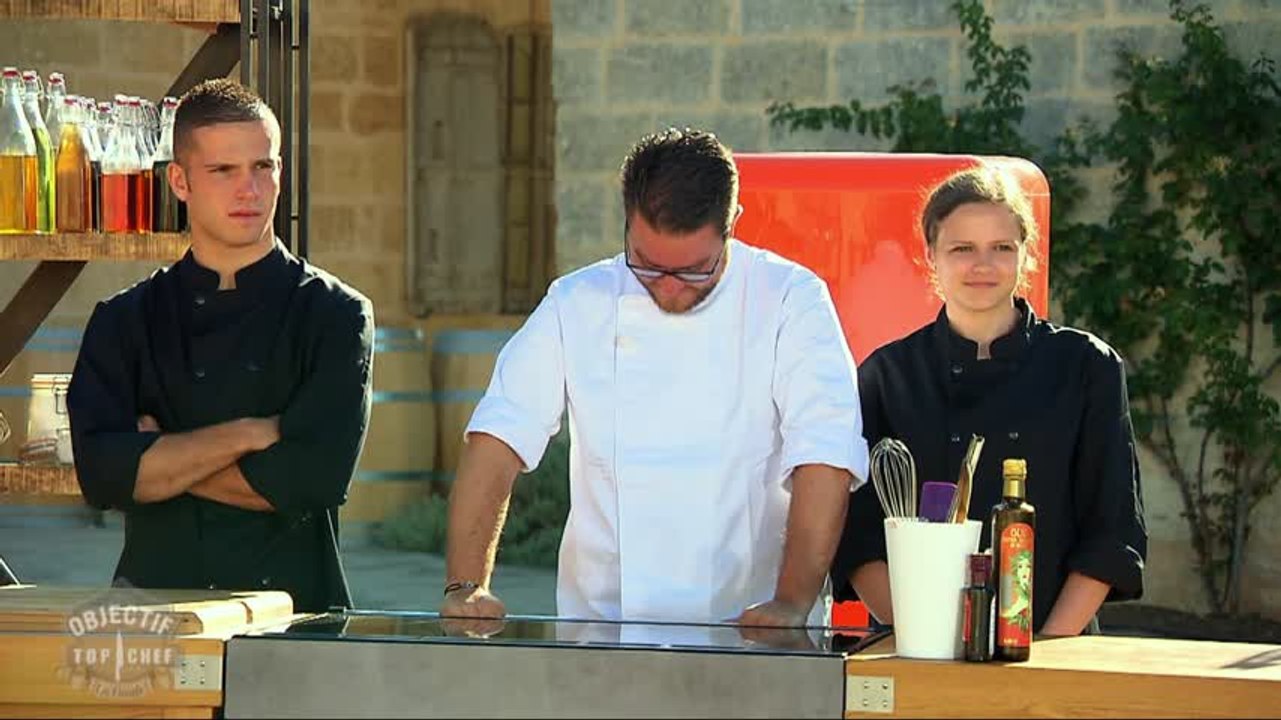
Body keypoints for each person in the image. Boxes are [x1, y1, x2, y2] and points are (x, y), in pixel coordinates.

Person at [441, 128, 869, 628]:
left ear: (733, 223)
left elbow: (825, 454)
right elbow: (498, 438)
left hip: (751, 632)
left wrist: (792, 602)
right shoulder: (576, 302)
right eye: (645, 265)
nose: (667, 289)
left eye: (693, 271)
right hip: (604, 631)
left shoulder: (790, 299)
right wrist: (466, 585)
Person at [67, 79, 374, 613]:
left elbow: (311, 480)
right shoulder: (124, 321)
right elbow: (104, 474)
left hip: (296, 619)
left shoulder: (335, 314)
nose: (249, 191)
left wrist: (164, 460)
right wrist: (250, 433)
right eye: (223, 171)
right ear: (180, 181)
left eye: (263, 166)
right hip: (152, 620)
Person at [831, 166, 1147, 636]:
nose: (983, 265)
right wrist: (926, 634)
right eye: (963, 249)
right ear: (930, 256)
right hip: (918, 648)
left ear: (1027, 254)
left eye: (1002, 248)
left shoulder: (1087, 366)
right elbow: (857, 538)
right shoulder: (887, 375)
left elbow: (1110, 528)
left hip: (1054, 644)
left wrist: (1048, 647)